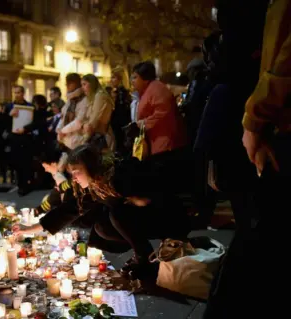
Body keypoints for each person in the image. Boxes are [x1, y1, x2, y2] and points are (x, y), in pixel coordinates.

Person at [204, 0, 291, 317]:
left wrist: (256, 118)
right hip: (270, 126)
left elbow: (283, 60)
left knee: (254, 249)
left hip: (272, 126)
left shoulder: (227, 85)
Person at [13, 144, 190, 279]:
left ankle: (146, 259)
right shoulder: (95, 186)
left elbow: (154, 191)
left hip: (164, 215)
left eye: (77, 172)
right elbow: (67, 211)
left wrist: (140, 198)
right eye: (72, 172)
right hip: (140, 217)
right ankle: (140, 254)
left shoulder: (118, 176)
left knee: (116, 213)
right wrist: (28, 229)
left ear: (90, 168)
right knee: (100, 224)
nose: (73, 178)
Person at [132, 61, 189, 191]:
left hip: (164, 142)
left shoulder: (157, 90)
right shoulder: (150, 89)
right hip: (158, 141)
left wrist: (142, 123)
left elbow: (162, 114)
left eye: (135, 77)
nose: (132, 81)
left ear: (144, 78)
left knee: (164, 181)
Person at [7, 85, 34, 195]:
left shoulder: (29, 106)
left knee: (26, 162)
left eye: (19, 92)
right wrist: (9, 115)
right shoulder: (10, 106)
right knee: (16, 162)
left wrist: (25, 129)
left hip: (25, 137)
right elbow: (3, 122)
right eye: (15, 92)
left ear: (23, 93)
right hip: (14, 138)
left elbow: (33, 123)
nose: (17, 94)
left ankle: (25, 185)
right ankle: (19, 183)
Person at [81, 74, 115, 151]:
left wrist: (84, 139)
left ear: (92, 83)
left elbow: (94, 120)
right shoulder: (94, 97)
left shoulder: (100, 95)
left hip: (101, 138)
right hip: (97, 136)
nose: (82, 88)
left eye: (84, 84)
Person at [56, 73, 88, 152]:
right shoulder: (70, 101)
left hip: (78, 142)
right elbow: (63, 117)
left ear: (77, 83)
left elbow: (78, 122)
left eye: (70, 83)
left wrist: (62, 131)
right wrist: (59, 130)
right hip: (66, 140)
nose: (67, 86)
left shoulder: (85, 100)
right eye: (67, 83)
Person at [110, 67, 132, 155]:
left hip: (119, 127)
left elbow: (120, 112)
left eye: (113, 77)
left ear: (120, 79)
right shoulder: (121, 92)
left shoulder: (120, 93)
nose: (111, 80)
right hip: (121, 126)